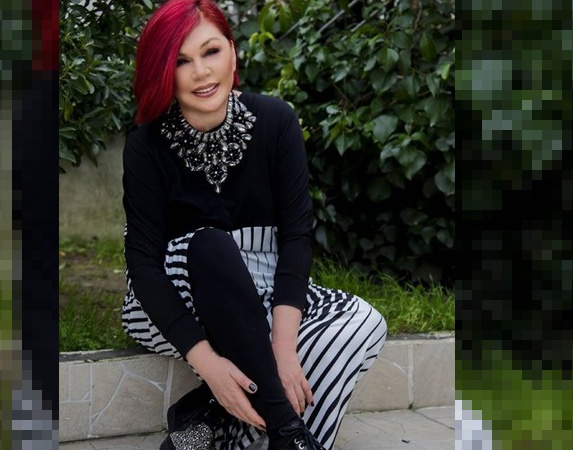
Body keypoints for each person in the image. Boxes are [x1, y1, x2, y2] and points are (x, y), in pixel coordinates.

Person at [120, 1, 388, 449]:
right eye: (181, 61)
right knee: (210, 246)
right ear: (163, 72)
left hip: (260, 288)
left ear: (233, 51)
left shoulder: (276, 120)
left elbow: (296, 236)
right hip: (175, 294)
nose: (201, 72)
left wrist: (283, 350)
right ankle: (286, 432)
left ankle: (212, 415)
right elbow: (144, 267)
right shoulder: (145, 145)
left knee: (363, 321)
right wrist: (208, 365)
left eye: (211, 52)